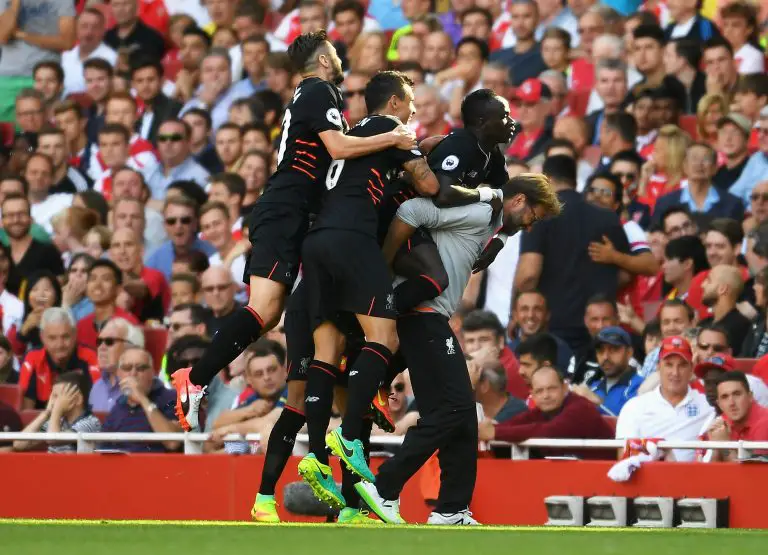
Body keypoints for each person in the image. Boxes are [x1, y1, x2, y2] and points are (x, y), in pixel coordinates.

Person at [173, 31, 417, 433]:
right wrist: (393, 137)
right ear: (323, 61)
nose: (339, 59)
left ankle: (357, 384)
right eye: (335, 53)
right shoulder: (321, 91)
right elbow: (338, 148)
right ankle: (195, 379)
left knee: (289, 310)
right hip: (286, 210)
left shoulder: (310, 96)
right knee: (266, 309)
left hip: (295, 214)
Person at [356, 173, 560, 525]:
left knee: (463, 415)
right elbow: (413, 210)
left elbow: (496, 230)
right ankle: (384, 486)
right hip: (424, 315)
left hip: (429, 316)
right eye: (533, 215)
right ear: (519, 201)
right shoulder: (480, 212)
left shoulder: (494, 222)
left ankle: (451, 508)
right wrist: (384, 265)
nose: (531, 224)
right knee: (456, 406)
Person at [297, 70, 442, 506]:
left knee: (327, 351)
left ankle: (318, 453)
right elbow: (430, 185)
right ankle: (349, 435)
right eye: (410, 104)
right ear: (395, 102)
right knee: (384, 336)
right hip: (353, 240)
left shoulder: (349, 134)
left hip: (316, 243)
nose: (413, 113)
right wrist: (417, 153)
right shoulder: (394, 130)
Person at [515, 155, 630, 353]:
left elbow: (528, 274)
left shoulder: (538, 216)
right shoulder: (608, 217)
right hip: (600, 327)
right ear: (575, 180)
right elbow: (625, 274)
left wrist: (514, 312)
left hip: (555, 327)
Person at [478, 366, 615, 459]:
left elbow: (548, 431)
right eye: (539, 391)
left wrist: (495, 432)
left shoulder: (580, 407)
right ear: (532, 394)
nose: (546, 395)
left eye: (552, 389)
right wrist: (493, 427)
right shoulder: (543, 411)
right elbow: (520, 421)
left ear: (565, 387)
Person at [616, 336, 713, 462]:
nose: (675, 372)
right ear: (658, 367)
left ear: (691, 369)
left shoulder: (707, 405)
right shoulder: (634, 407)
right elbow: (624, 457)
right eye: (669, 365)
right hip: (649, 478)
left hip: (694, 478)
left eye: (682, 365)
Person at [0, 0, 76, 122]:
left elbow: (67, 42)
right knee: (7, 134)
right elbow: (2, 35)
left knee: (44, 132)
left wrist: (24, 36)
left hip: (43, 77)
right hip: (7, 77)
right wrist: (15, 3)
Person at [101, 347, 181, 453]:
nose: (133, 373)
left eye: (141, 368)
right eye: (127, 368)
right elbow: (102, 449)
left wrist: (142, 399)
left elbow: (172, 443)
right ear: (119, 374)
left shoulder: (171, 397)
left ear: (152, 373)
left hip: (159, 467)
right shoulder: (118, 407)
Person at [18, 307, 99, 410]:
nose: (59, 345)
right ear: (42, 337)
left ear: (75, 335)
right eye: (52, 338)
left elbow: (97, 402)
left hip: (82, 422)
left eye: (65, 337)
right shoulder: (32, 357)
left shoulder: (89, 356)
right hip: (42, 420)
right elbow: (26, 408)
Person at [13, 371, 101, 453]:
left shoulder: (90, 423)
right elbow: (19, 444)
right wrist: (46, 413)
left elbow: (52, 439)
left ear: (77, 399)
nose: (52, 401)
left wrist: (57, 410)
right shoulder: (57, 420)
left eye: (56, 396)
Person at [572, 326, 643, 417]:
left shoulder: (640, 386)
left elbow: (631, 426)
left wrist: (598, 403)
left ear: (629, 353)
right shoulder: (593, 387)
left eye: (613, 350)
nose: (605, 357)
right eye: (600, 351)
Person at [2, 194, 64, 297]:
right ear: (2, 221)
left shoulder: (48, 252)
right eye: (10, 215)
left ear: (31, 218)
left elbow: (59, 287)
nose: (16, 220)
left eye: (21, 214)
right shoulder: (2, 253)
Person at [75, 259, 139, 350]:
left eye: (105, 279)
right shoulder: (81, 325)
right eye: (92, 279)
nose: (97, 284)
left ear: (118, 289)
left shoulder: (128, 324)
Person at [109, 227, 170, 322]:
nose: (122, 251)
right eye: (117, 246)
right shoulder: (111, 278)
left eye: (128, 244)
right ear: (110, 254)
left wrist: (113, 288)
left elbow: (141, 289)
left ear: (141, 251)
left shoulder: (154, 275)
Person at [705, 372, 768, 462]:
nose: (731, 403)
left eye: (737, 394)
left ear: (750, 396)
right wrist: (716, 447)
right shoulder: (721, 423)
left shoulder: (765, 423)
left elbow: (751, 474)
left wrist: (725, 446)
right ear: (719, 404)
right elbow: (711, 472)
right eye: (725, 397)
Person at [89, 317, 145, 413]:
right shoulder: (96, 388)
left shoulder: (146, 387)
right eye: (99, 342)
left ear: (131, 347)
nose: (101, 347)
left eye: (109, 342)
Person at [698, 265, 752, 351]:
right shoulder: (703, 323)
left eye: (709, 280)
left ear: (722, 288)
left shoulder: (740, 326)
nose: (702, 285)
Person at [132, 58, 183, 145]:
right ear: (133, 85)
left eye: (151, 80)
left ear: (162, 81)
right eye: (140, 81)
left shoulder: (174, 109)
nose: (145, 86)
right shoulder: (137, 116)